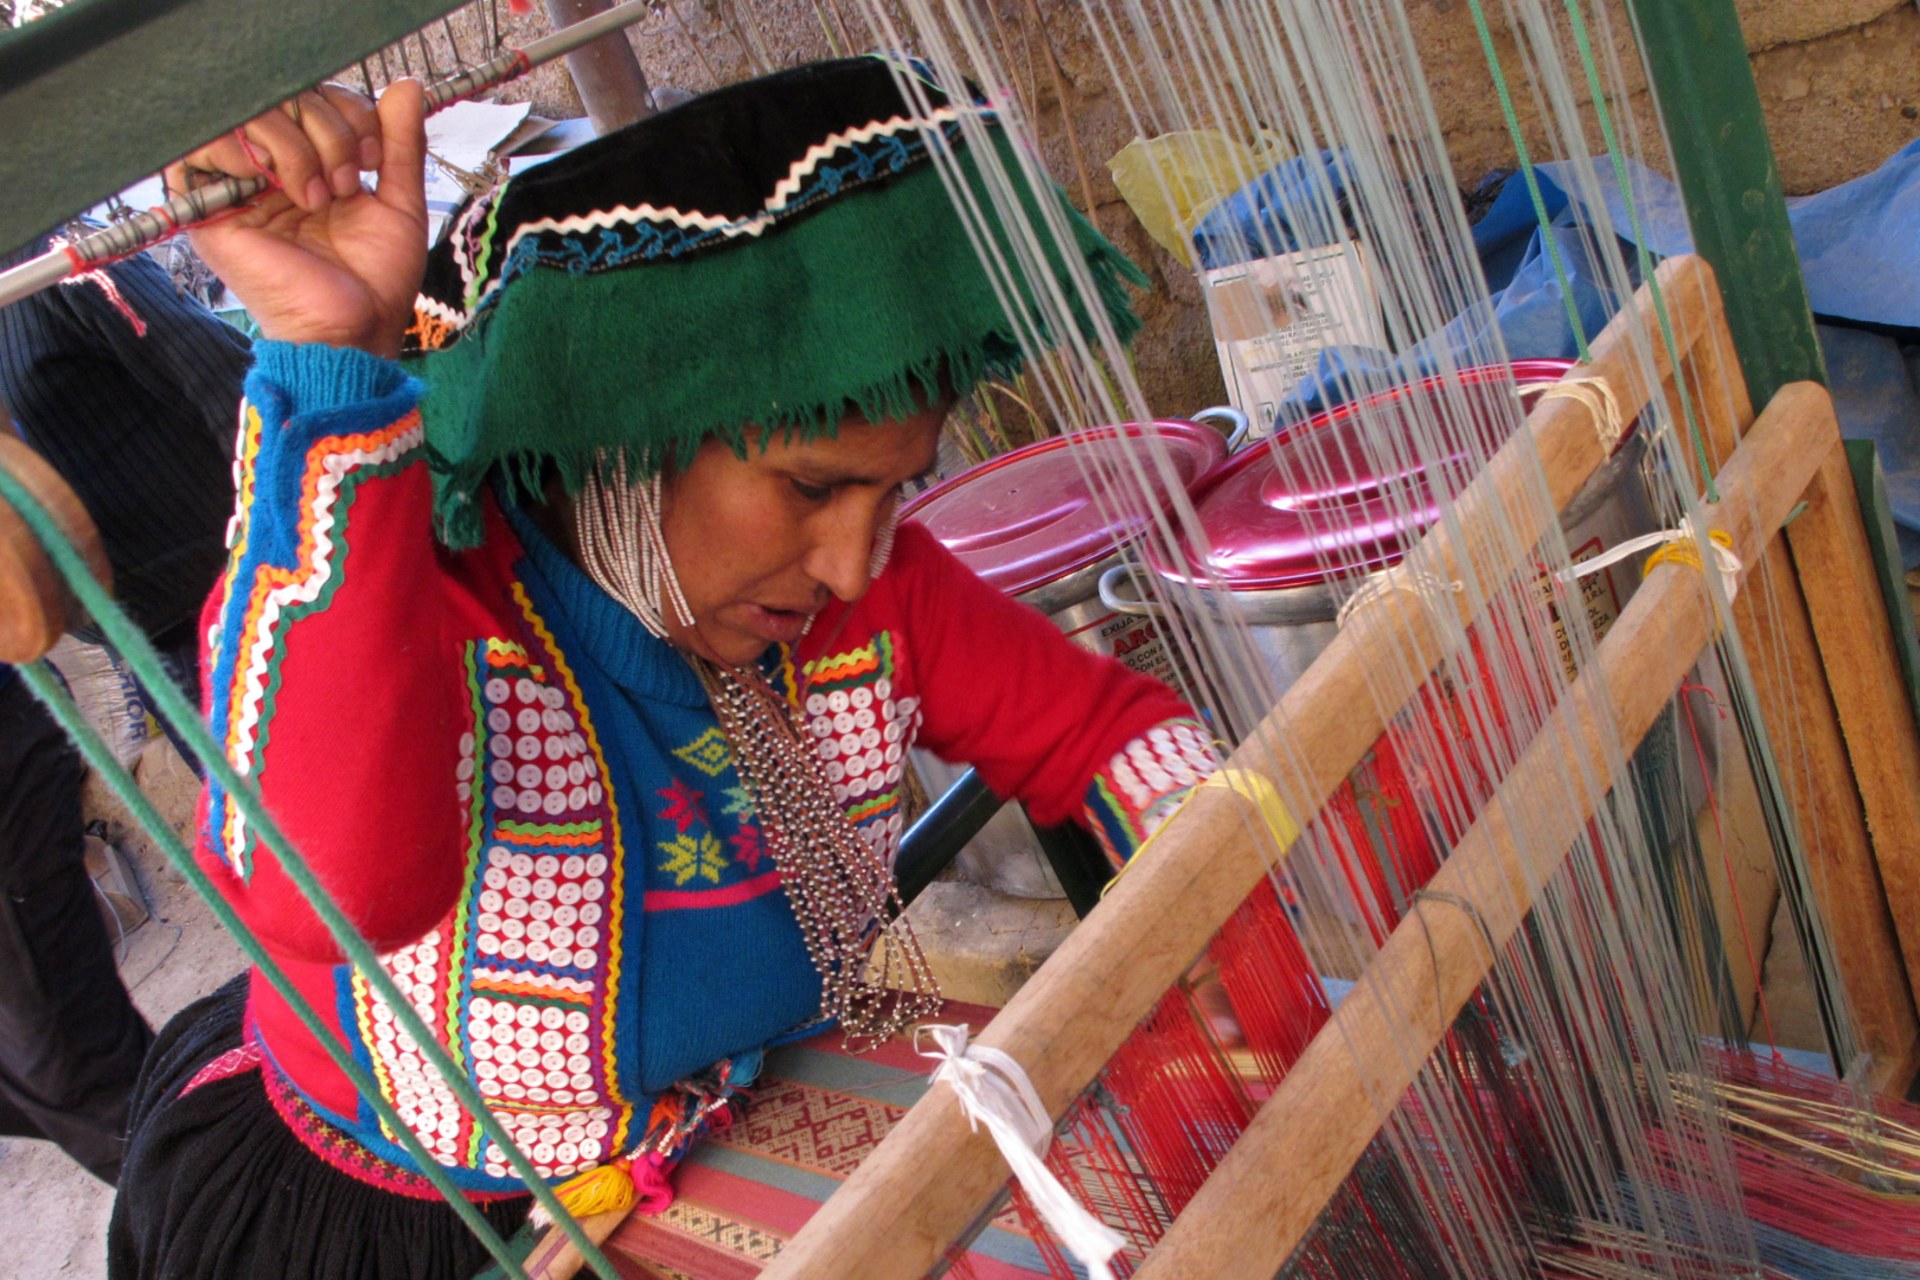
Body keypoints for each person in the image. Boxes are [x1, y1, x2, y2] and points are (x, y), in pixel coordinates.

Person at [108, 58, 1221, 1278]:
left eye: (894, 486)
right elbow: (332, 890)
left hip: (716, 1127)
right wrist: (331, 360)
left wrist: (1221, 882)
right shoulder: (440, 597)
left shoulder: (871, 589)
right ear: (630, 442)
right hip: (400, 1220)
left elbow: (1095, 727)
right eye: (812, 485)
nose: (854, 564)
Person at [0, 235, 251, 1185]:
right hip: (159, 637)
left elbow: (220, 374)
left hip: (233, 602)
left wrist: (293, 550)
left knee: (320, 839)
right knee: (274, 851)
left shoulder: (66, 269)